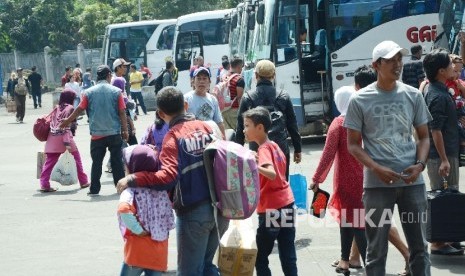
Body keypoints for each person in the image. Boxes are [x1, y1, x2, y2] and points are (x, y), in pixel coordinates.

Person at [116, 87, 229, 275]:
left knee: (190, 271)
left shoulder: (173, 136)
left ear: (160, 113)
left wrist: (134, 178)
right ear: (185, 105)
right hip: (221, 210)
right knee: (207, 267)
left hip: (194, 213)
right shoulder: (207, 128)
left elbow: (167, 178)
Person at [344, 40, 431, 276]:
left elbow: (424, 137)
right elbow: (353, 144)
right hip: (376, 186)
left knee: (420, 249)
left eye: (399, 59)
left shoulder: (413, 95)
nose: (397, 64)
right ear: (376, 65)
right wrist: (375, 167)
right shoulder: (360, 99)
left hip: (412, 184)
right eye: (391, 60)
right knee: (375, 252)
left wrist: (420, 165)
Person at [310, 65, 376, 275]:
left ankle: (369, 265)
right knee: (353, 222)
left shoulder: (339, 124)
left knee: (353, 223)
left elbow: (328, 155)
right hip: (369, 178)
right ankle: (346, 260)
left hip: (347, 181)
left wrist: (317, 178)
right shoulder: (367, 118)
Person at [242, 106, 297, 276]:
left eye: (247, 126)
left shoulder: (263, 149)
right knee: (288, 253)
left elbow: (271, 173)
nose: (244, 130)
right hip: (287, 203)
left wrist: (253, 164)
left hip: (272, 209)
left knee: (260, 258)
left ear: (259, 128)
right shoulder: (274, 145)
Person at [61, 65, 129, 196]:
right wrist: (125, 130)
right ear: (109, 75)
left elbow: (79, 109)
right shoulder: (116, 91)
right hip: (114, 132)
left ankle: (94, 189)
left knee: (97, 162)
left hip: (97, 134)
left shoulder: (88, 92)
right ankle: (120, 187)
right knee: (116, 162)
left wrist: (67, 121)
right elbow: (122, 112)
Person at [423, 48, 464, 255]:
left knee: (450, 194)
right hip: (441, 156)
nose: (453, 68)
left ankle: (447, 237)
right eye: (449, 65)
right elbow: (435, 130)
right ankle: (438, 242)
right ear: (440, 70)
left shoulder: (439, 89)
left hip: (446, 153)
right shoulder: (437, 95)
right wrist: (444, 159)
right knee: (442, 197)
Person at [236, 60, 302, 180]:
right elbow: (292, 124)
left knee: (259, 184)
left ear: (256, 76)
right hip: (280, 148)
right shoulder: (284, 96)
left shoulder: (248, 97)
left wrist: (237, 153)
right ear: (273, 76)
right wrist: (298, 149)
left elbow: (240, 127)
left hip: (257, 149)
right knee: (282, 181)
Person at [118, 145, 175, 276]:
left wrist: (138, 230)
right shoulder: (161, 191)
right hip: (159, 252)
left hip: (138, 251)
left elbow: (124, 209)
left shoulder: (131, 191)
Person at [39, 89, 89, 193]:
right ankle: (83, 181)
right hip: (65, 138)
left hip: (52, 138)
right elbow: (68, 126)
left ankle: (44, 184)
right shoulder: (70, 108)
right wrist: (67, 143)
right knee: (77, 160)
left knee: (49, 163)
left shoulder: (56, 108)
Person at [184, 67, 226, 137]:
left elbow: (219, 122)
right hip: (192, 139)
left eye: (204, 78)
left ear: (209, 82)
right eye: (199, 78)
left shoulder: (213, 100)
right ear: (193, 81)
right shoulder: (186, 99)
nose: (201, 81)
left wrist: (224, 141)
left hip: (211, 139)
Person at [221, 56, 244, 130]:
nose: (241, 70)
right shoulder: (239, 79)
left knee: (228, 135)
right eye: (241, 67)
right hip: (234, 111)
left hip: (224, 110)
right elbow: (239, 98)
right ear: (238, 67)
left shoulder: (225, 77)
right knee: (237, 133)